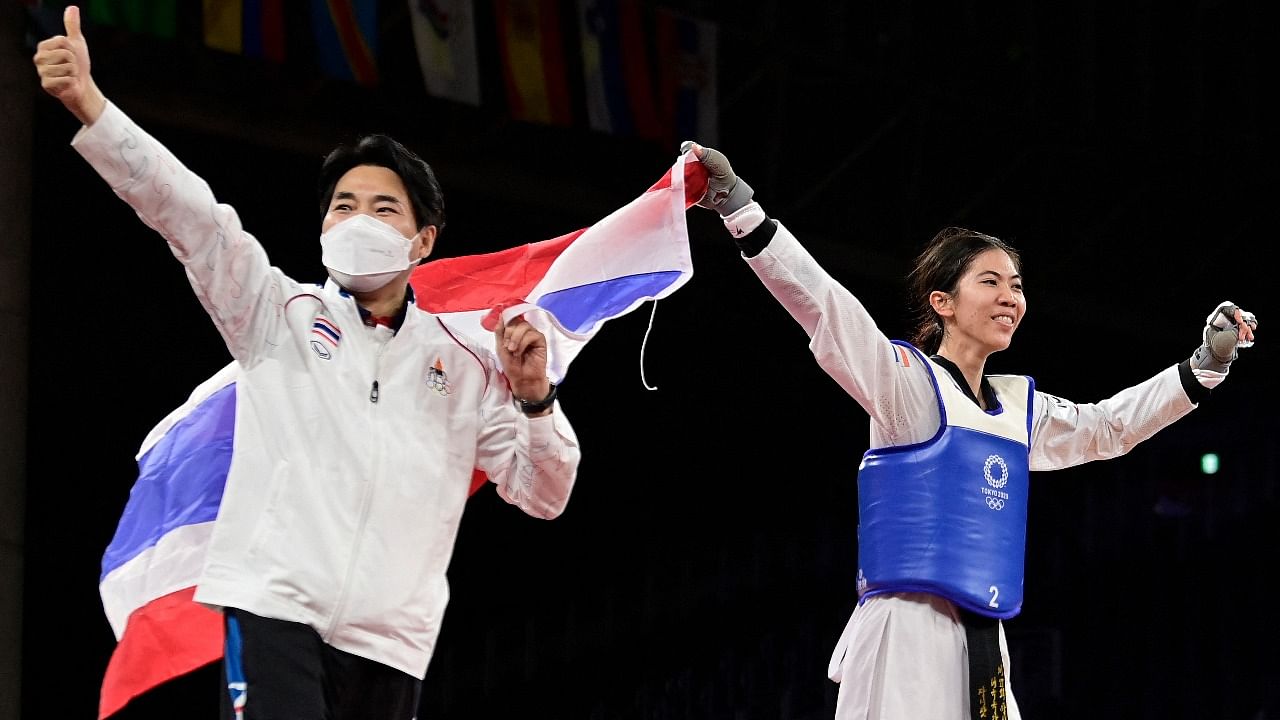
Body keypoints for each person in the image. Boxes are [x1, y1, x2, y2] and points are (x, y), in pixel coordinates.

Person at [34, 7, 581, 719]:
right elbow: (191, 217)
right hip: (273, 609)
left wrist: (536, 397)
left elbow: (543, 493)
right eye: (342, 205)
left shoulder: (470, 367)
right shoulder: (274, 315)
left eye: (383, 209)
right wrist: (94, 110)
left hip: (393, 642)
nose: (358, 219)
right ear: (322, 227)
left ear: (423, 242)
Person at [679, 140, 1257, 720]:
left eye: (1017, 285)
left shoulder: (1017, 407)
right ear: (944, 303)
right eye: (990, 282)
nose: (1011, 297)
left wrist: (1203, 366)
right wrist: (742, 211)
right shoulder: (908, 385)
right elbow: (826, 309)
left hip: (985, 641)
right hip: (906, 633)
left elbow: (1108, 427)